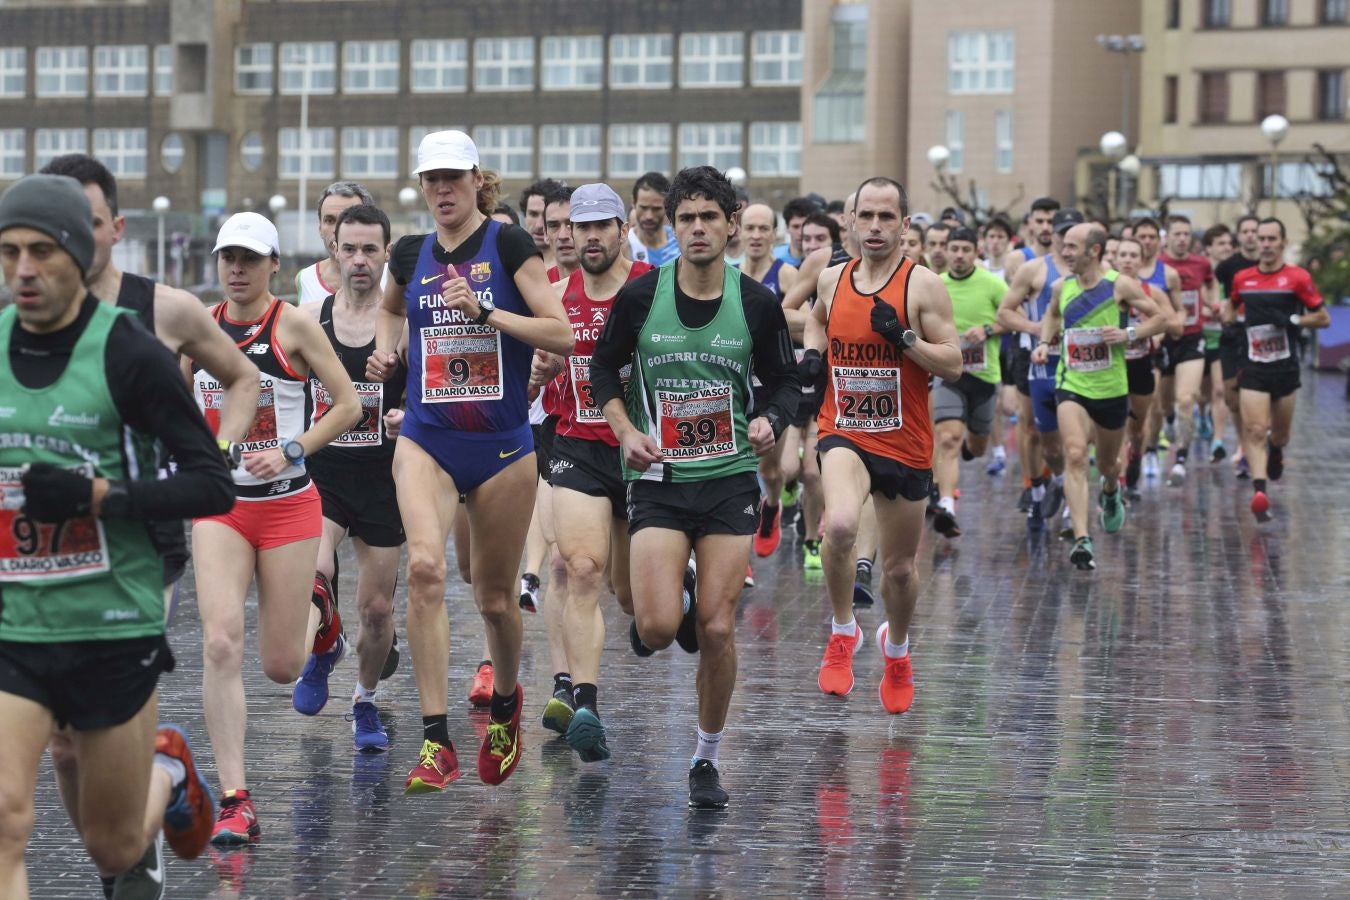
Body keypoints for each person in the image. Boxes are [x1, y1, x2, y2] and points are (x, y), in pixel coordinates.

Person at [0, 174, 233, 896]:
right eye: (8, 253)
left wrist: (99, 496)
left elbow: (210, 483)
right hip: (16, 625)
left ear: (81, 253)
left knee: (113, 847)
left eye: (42, 251)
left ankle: (166, 774)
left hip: (111, 624)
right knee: (6, 818)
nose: (24, 271)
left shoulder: (128, 353)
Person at [366, 130, 573, 793]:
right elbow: (390, 309)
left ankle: (508, 704)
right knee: (423, 569)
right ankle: (435, 742)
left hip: (504, 446)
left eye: (454, 177)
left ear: (475, 179)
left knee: (493, 600)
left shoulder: (508, 245)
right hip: (427, 437)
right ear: (421, 186)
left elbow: (561, 333)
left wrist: (487, 313)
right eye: (432, 179)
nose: (443, 190)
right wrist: (386, 353)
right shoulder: (410, 253)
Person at [590, 166, 799, 808]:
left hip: (729, 479)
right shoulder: (640, 297)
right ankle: (671, 594)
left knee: (715, 628)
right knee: (654, 628)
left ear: (732, 223)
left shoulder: (756, 304)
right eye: (687, 218)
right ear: (671, 226)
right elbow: (603, 374)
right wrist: (625, 430)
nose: (699, 228)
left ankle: (706, 756)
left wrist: (770, 418)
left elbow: (787, 382)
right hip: (657, 479)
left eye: (710, 217)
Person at [191, 212, 361, 845]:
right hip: (222, 508)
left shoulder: (291, 326)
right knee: (219, 642)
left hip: (290, 504)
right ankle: (236, 798)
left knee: (281, 667)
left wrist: (292, 449)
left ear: (271, 266)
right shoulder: (200, 330)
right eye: (227, 259)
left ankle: (322, 615)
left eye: (248, 259)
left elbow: (346, 405)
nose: (236, 270)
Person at [806, 175, 961, 713]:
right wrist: (812, 355)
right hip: (844, 428)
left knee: (898, 570)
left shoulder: (923, 286)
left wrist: (905, 338)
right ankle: (843, 630)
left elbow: (955, 362)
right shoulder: (832, 280)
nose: (874, 227)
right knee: (843, 525)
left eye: (886, 217)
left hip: (905, 441)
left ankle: (896, 650)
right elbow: (815, 321)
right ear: (849, 221)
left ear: (904, 224)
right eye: (864, 216)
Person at [527, 183, 652, 761]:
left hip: (643, 454)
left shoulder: (653, 293)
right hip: (577, 445)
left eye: (605, 225)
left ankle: (677, 584)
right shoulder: (552, 299)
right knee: (579, 568)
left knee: (630, 600)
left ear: (623, 229)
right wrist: (539, 372)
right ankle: (586, 704)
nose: (593, 236)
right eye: (583, 227)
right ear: (567, 235)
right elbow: (530, 379)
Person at [296, 203, 408, 754]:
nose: (359, 260)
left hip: (385, 480)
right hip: (325, 473)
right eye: (350, 249)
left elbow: (432, 394)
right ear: (333, 251)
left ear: (387, 253)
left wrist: (406, 415)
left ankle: (364, 701)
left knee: (377, 610)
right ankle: (322, 649)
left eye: (370, 249)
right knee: (314, 575)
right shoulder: (311, 318)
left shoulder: (405, 323)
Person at [1032, 224, 1166, 570]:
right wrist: (1045, 345)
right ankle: (1081, 537)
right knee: (1075, 453)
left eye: (1073, 247)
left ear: (1094, 250)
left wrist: (1128, 333)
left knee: (1108, 464)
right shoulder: (1062, 287)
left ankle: (1110, 490)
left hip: (1110, 388)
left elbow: (1161, 317)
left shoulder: (1118, 285)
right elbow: (1051, 317)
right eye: (1065, 247)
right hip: (1071, 382)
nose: (1065, 252)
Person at [1229, 217, 1329, 521]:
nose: (1267, 245)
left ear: (1283, 243)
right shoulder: (1242, 278)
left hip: (1286, 366)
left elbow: (1323, 317)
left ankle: (1277, 450)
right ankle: (1260, 493)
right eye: (1262, 239)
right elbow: (1231, 305)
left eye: (1273, 239)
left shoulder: (1297, 277)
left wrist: (1294, 321)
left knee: (1280, 434)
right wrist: (1230, 321)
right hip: (1254, 363)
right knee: (1255, 429)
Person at [997, 207, 1080, 532]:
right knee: (1036, 434)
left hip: (1080, 366)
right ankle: (1041, 485)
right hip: (1038, 362)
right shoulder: (1034, 270)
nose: (1065, 240)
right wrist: (1036, 330)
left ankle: (1074, 505)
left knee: (1075, 440)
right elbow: (1005, 312)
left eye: (1073, 235)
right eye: (1062, 234)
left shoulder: (1097, 273)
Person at [931, 227, 1007, 537]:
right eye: (955, 248)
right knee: (948, 439)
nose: (959, 255)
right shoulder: (935, 285)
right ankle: (946, 505)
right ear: (947, 251)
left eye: (966, 249)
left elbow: (1012, 317)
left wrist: (988, 330)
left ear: (977, 251)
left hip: (984, 376)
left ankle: (971, 448)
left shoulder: (993, 284)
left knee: (976, 447)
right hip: (949, 375)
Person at [739, 202, 798, 558]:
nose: (757, 235)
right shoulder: (727, 273)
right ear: (739, 232)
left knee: (771, 470)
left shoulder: (786, 274)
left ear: (775, 234)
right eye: (751, 228)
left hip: (774, 384)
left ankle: (772, 507)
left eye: (764, 228)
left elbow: (808, 321)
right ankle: (737, 550)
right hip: (735, 383)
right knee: (737, 468)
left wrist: (768, 319)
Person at [1155, 214, 1217, 486]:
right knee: (1164, 402)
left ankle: (1180, 459)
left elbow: (1211, 282)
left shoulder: (1201, 263)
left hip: (1193, 338)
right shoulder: (1158, 265)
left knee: (1187, 398)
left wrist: (1213, 303)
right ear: (1166, 237)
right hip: (1164, 339)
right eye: (1177, 234)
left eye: (1186, 234)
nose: (1182, 239)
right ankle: (1168, 420)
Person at [1215, 215, 1261, 474]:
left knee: (1256, 393)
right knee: (1232, 397)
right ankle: (1244, 443)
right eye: (1246, 231)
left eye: (1256, 231)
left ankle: (1247, 449)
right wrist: (1220, 307)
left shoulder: (1269, 264)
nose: (1252, 236)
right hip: (1232, 335)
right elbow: (1214, 289)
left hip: (1260, 336)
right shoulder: (1227, 266)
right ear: (1239, 236)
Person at [295, 182, 377, 305]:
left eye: (348, 220)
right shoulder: (305, 279)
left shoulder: (392, 277)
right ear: (320, 228)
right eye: (329, 220)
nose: (337, 229)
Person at [627, 172, 680, 266]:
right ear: (633, 203)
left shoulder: (680, 241)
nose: (649, 216)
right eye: (643, 207)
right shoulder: (624, 246)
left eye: (656, 209)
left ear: (667, 206)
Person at [520, 178, 568, 272]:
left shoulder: (580, 266)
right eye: (533, 214)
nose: (539, 225)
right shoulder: (511, 263)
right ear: (524, 216)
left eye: (545, 215)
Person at [772, 196, 817, 267]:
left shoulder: (822, 259)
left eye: (805, 226)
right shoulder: (773, 258)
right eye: (796, 227)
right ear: (786, 227)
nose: (801, 232)